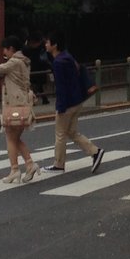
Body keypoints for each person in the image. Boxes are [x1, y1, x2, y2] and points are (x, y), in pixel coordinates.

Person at [41, 33, 104, 175]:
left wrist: (60, 107)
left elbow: (61, 87)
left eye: (48, 42)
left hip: (67, 103)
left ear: (55, 45)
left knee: (60, 134)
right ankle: (95, 152)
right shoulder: (67, 57)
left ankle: (58, 164)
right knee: (71, 132)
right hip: (77, 100)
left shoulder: (58, 62)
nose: (45, 44)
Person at [0, 35, 40, 184]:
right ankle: (29, 164)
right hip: (22, 104)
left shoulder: (15, 62)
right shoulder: (24, 61)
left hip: (15, 106)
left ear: (11, 49)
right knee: (14, 138)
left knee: (10, 137)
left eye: (5, 49)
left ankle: (15, 170)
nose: (4, 52)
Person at [23, 30, 50, 105]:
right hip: (40, 67)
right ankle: (44, 99)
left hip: (35, 67)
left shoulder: (31, 47)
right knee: (39, 85)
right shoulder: (43, 46)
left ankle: (33, 99)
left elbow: (26, 52)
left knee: (35, 84)